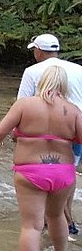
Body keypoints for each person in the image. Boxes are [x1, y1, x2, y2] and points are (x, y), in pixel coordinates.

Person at [0, 66, 82, 251]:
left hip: (31, 171)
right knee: (56, 216)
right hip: (63, 171)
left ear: (42, 82)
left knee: (32, 225)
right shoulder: (73, 110)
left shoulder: (25, 105)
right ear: (64, 86)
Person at [17, 33, 82, 235]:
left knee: (41, 175)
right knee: (67, 172)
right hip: (75, 128)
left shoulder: (32, 71)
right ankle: (64, 220)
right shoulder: (79, 69)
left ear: (38, 51)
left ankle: (54, 221)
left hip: (44, 133)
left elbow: (22, 103)